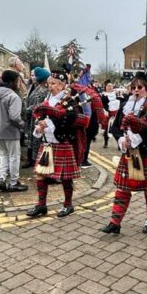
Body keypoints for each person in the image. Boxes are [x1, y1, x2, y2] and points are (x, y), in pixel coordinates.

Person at [100, 72, 147, 235]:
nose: (136, 90)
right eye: (133, 87)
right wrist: (121, 140)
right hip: (129, 151)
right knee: (123, 188)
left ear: (146, 89)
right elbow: (115, 128)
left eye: (139, 87)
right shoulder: (125, 105)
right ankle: (115, 222)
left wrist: (138, 138)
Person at [27, 72, 89, 218]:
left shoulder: (70, 101)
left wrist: (48, 124)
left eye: (54, 83)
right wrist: (39, 127)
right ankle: (41, 205)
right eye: (49, 83)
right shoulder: (47, 99)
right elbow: (40, 116)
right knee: (40, 174)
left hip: (62, 143)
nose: (50, 86)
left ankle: (68, 205)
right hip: (47, 143)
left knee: (65, 177)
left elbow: (69, 121)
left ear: (62, 85)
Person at [0, 69, 28, 192]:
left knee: (3, 154)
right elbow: (14, 117)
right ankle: (13, 182)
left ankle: (2, 178)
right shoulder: (13, 96)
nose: (18, 83)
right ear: (12, 82)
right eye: (17, 81)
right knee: (14, 156)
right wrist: (22, 125)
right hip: (10, 131)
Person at [23, 67, 50, 168]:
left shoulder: (41, 91)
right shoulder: (33, 87)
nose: (32, 77)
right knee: (32, 140)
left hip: (36, 118)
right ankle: (31, 160)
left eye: (34, 75)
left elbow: (37, 106)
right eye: (31, 75)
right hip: (32, 118)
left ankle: (36, 161)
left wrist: (25, 111)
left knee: (36, 141)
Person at [101, 80, 120, 148]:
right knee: (107, 129)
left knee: (117, 129)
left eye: (111, 86)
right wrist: (104, 111)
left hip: (116, 113)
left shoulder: (116, 94)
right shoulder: (103, 95)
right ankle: (106, 143)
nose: (110, 87)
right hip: (108, 113)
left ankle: (119, 144)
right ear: (105, 87)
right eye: (108, 86)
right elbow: (101, 105)